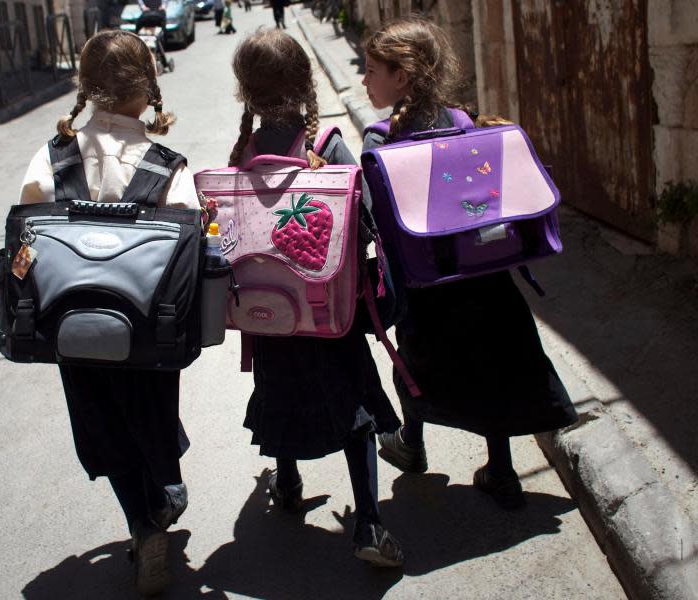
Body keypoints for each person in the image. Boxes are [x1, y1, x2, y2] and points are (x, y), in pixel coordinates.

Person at [360, 16, 577, 510]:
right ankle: (502, 472)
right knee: (492, 368)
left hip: (425, 287)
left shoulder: (379, 142)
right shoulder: (463, 121)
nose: (364, 79)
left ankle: (411, 446)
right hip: (485, 278)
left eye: (372, 69)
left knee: (416, 366)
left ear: (404, 76)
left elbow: (377, 221)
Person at [17, 30, 200, 597]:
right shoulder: (165, 165)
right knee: (151, 417)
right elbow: (192, 244)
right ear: (146, 90)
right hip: (148, 332)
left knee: (106, 428)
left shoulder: (50, 159)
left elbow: (27, 224)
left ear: (87, 88)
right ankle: (163, 493)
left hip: (75, 330)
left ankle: (143, 523)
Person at [227, 29, 405, 568]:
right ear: (305, 84)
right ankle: (370, 524)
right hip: (332, 312)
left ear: (247, 94)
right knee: (353, 411)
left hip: (272, 316)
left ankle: (285, 483)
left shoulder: (243, 154)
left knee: (277, 393)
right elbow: (367, 217)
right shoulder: (326, 146)